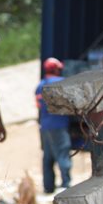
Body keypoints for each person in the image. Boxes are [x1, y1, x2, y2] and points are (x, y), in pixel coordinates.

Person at [36, 57, 72, 194]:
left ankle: (48, 186)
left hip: (45, 126)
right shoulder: (62, 83)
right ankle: (66, 184)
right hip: (59, 124)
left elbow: (39, 107)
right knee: (62, 153)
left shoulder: (40, 86)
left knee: (48, 157)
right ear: (56, 69)